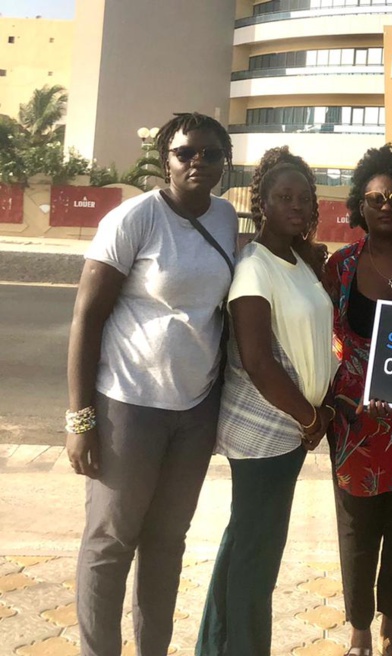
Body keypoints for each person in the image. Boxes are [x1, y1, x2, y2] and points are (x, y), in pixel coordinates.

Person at [66, 112, 237, 656]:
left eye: (211, 153)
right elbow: (87, 318)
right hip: (128, 405)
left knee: (167, 541)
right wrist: (80, 420)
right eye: (186, 152)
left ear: (224, 163)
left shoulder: (227, 217)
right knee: (111, 541)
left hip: (195, 409)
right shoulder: (134, 218)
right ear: (166, 158)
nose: (198, 162)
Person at [197, 146, 335, 656]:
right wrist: (310, 417)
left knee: (243, 542)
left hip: (290, 431)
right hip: (266, 432)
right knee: (258, 556)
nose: (296, 206)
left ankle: (215, 646)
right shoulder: (254, 267)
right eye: (284, 197)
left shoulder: (297, 260)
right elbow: (257, 360)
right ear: (262, 205)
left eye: (304, 198)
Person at [322, 143, 392, 656]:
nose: (386, 205)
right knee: (357, 527)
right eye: (374, 198)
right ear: (359, 207)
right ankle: (360, 629)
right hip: (356, 422)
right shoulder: (341, 266)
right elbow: (324, 337)